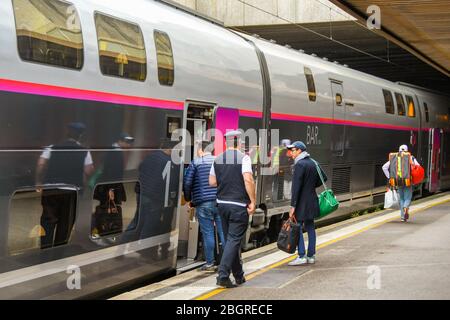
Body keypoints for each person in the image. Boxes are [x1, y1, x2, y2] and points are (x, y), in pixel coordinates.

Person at [35, 122, 94, 249]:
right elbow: (89, 170)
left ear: (67, 133)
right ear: (80, 136)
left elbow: (40, 165)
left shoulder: (51, 147)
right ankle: (58, 252)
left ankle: (45, 250)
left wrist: (39, 182)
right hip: (72, 191)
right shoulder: (84, 151)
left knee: (47, 220)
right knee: (65, 223)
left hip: (51, 189)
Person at [209, 130, 256, 288]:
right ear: (240, 143)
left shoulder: (218, 159)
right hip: (238, 205)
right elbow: (248, 180)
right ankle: (222, 275)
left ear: (226, 143)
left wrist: (226, 180)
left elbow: (212, 182)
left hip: (222, 205)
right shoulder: (244, 158)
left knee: (231, 240)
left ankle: (239, 276)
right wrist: (253, 201)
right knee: (234, 240)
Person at [183, 141, 225, 272]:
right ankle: (229, 261)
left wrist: (189, 199)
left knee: (207, 233)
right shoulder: (219, 161)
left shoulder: (196, 162)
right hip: (220, 202)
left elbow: (187, 183)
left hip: (203, 203)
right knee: (223, 232)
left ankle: (210, 263)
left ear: (200, 150)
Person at [286, 141, 327, 266]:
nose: (291, 153)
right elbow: (323, 178)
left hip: (301, 203)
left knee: (297, 227)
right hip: (312, 200)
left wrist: (293, 206)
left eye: (293, 150)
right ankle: (311, 256)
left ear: (299, 151)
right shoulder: (313, 162)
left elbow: (296, 188)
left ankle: (302, 255)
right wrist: (311, 186)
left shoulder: (299, 165)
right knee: (310, 228)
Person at [382, 144, 419, 222]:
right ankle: (406, 208)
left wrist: (389, 177)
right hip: (408, 181)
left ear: (399, 150)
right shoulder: (411, 157)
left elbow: (384, 167)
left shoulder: (394, 157)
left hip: (397, 181)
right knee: (407, 198)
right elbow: (417, 166)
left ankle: (402, 217)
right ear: (407, 150)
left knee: (401, 198)